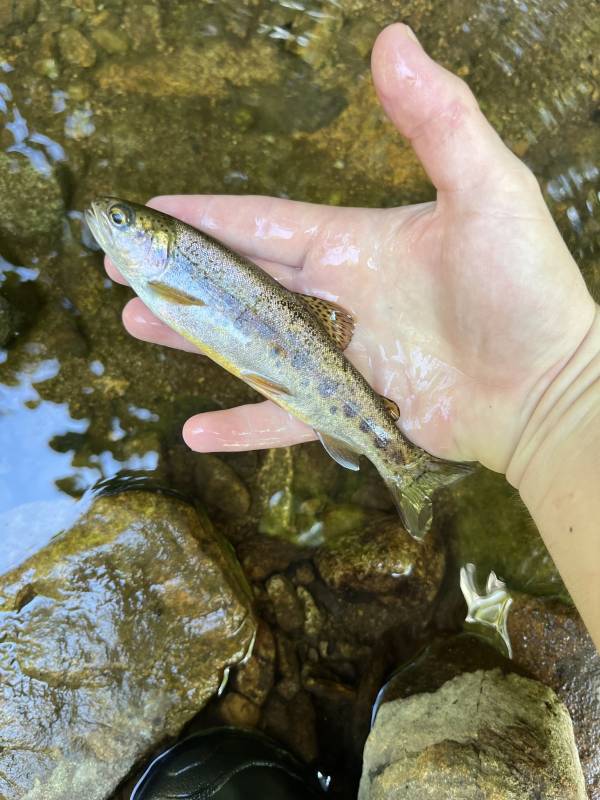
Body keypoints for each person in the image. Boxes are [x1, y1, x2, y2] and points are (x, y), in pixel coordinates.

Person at [106, 24, 600, 651]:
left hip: (311, 363)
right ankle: (404, 464)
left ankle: (405, 466)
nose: (108, 220)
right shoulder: (162, 278)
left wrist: (560, 398)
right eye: (120, 220)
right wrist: (563, 395)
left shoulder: (166, 277)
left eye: (121, 221)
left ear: (155, 243)